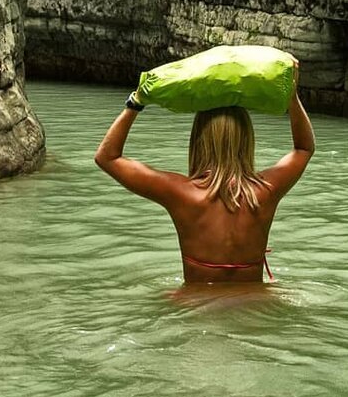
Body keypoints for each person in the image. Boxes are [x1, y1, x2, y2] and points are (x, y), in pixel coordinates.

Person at [94, 64, 315, 284]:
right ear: (247, 140)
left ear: (198, 141)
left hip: (195, 306)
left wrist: (135, 103)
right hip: (257, 302)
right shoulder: (266, 191)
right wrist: (292, 97)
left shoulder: (180, 193)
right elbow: (304, 149)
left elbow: (107, 157)